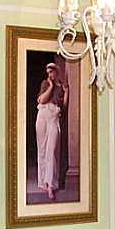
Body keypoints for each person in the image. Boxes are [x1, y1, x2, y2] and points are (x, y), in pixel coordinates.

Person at [36, 62, 69, 200]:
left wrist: (66, 92)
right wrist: (50, 86)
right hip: (43, 116)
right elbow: (41, 100)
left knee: (51, 151)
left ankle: (50, 185)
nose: (50, 74)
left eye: (52, 72)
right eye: (48, 72)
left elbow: (64, 106)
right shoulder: (45, 84)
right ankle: (44, 181)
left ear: (56, 72)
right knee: (42, 150)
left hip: (54, 118)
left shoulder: (61, 87)